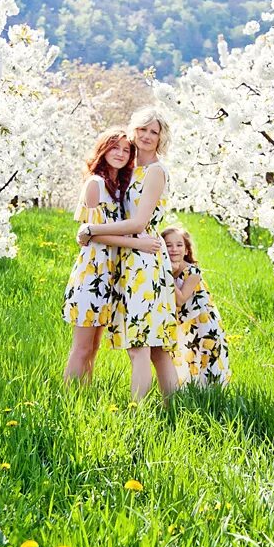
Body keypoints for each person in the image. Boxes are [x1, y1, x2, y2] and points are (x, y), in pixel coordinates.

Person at [78, 107, 183, 401]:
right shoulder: (131, 169)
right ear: (133, 131)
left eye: (154, 132)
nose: (148, 136)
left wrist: (92, 230)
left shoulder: (155, 172)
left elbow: (139, 223)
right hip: (130, 259)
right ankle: (173, 408)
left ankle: (137, 415)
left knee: (140, 346)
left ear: (161, 137)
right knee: (157, 347)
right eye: (143, 130)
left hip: (145, 262)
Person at [62, 128, 163, 384]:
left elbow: (100, 230)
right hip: (92, 273)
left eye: (126, 149)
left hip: (112, 275)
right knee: (82, 348)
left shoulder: (119, 187)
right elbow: (89, 234)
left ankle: (81, 398)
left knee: (93, 349)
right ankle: (69, 399)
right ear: (103, 150)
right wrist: (137, 244)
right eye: (114, 147)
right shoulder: (95, 184)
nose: (119, 154)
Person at [162, 226, 231, 387]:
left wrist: (166, 274)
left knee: (205, 359)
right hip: (184, 324)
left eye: (179, 245)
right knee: (186, 358)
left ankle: (213, 396)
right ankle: (186, 392)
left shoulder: (192, 272)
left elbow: (180, 300)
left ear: (186, 250)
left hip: (203, 323)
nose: (174, 249)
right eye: (168, 245)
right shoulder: (164, 269)